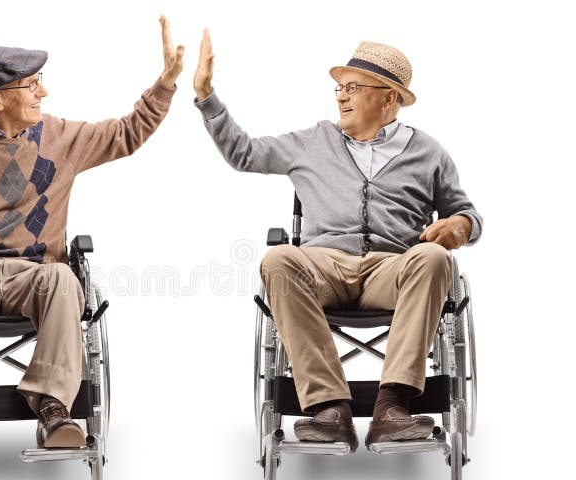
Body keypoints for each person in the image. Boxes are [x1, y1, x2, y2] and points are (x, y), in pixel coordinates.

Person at [0, 16, 184, 450]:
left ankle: (52, 407)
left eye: (38, 82)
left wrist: (165, 84)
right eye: (30, 85)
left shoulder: (59, 138)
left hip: (36, 274)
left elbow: (127, 133)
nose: (42, 92)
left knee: (65, 279)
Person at [193, 33, 482, 451]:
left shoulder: (429, 153)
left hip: (394, 268)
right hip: (323, 266)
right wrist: (206, 97)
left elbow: (468, 213)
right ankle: (329, 407)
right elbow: (244, 153)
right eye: (340, 88)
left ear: (388, 99)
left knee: (435, 258)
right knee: (278, 259)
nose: (341, 98)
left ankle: (392, 407)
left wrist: (460, 226)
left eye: (353, 88)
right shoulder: (315, 141)